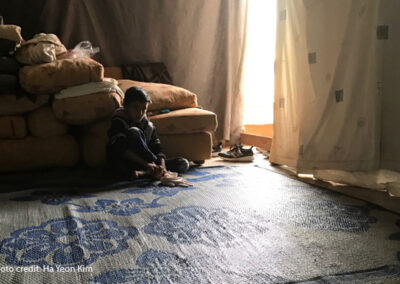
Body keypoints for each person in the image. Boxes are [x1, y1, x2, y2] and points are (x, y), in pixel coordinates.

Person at [106, 86, 189, 180]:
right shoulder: (119, 120)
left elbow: (157, 148)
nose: (140, 112)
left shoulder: (148, 125)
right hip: (125, 161)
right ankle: (150, 171)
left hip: (145, 164)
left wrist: (163, 167)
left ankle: (145, 173)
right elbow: (120, 148)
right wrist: (149, 164)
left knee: (183, 163)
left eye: (144, 108)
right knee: (134, 131)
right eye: (135, 107)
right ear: (125, 105)